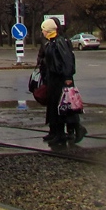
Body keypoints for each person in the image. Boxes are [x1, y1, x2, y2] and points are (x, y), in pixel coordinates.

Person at [37, 17, 85, 146]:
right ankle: (59, 133)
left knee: (63, 105)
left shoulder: (59, 42)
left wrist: (67, 77)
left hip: (60, 79)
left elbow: (67, 60)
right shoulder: (51, 42)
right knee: (55, 105)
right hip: (53, 78)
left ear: (49, 30)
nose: (42, 32)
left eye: (44, 30)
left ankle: (67, 132)